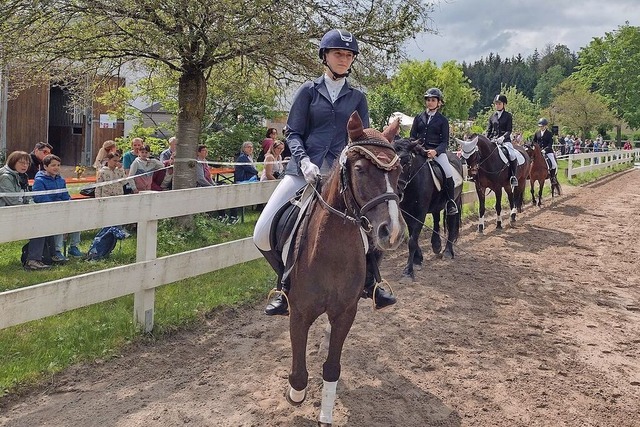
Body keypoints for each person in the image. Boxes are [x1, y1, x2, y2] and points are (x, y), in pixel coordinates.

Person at [253, 28, 394, 316]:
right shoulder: (308, 91)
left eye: (348, 55)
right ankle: (284, 284)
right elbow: (293, 131)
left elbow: (362, 139)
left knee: (371, 225)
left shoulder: (358, 97)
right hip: (302, 171)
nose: (344, 59)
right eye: (338, 53)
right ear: (325, 56)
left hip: (341, 174)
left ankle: (373, 283)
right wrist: (304, 160)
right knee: (262, 231)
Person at [409, 87, 458, 215]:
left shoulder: (443, 120)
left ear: (439, 103)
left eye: (433, 100)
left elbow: (444, 142)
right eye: (428, 100)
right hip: (419, 151)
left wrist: (435, 151)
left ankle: (450, 202)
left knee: (448, 173)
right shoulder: (418, 117)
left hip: (436, 153)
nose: (430, 102)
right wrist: (419, 149)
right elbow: (412, 137)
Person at [32, 154, 84, 261]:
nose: (56, 167)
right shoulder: (39, 180)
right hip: (47, 210)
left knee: (77, 220)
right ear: (45, 167)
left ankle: (73, 247)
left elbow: (65, 195)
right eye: (53, 165)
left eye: (58, 165)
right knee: (59, 223)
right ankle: (56, 251)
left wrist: (68, 204)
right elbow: (39, 197)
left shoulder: (60, 180)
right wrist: (55, 206)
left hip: (62, 208)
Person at [486, 94, 518, 187]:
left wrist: (502, 138)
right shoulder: (492, 116)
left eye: (499, 103)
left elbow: (509, 130)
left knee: (512, 155)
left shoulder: (508, 116)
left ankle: (513, 176)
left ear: (504, 104)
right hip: (493, 140)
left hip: (505, 141)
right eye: (496, 103)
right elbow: (489, 130)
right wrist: (488, 140)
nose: (497, 105)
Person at [532, 118, 558, 184]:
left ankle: (553, 178)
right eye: (540, 126)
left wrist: (545, 150)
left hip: (548, 151)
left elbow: (550, 143)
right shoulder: (537, 133)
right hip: (538, 152)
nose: (541, 127)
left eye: (542, 126)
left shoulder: (549, 134)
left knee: (554, 164)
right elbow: (534, 142)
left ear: (545, 126)